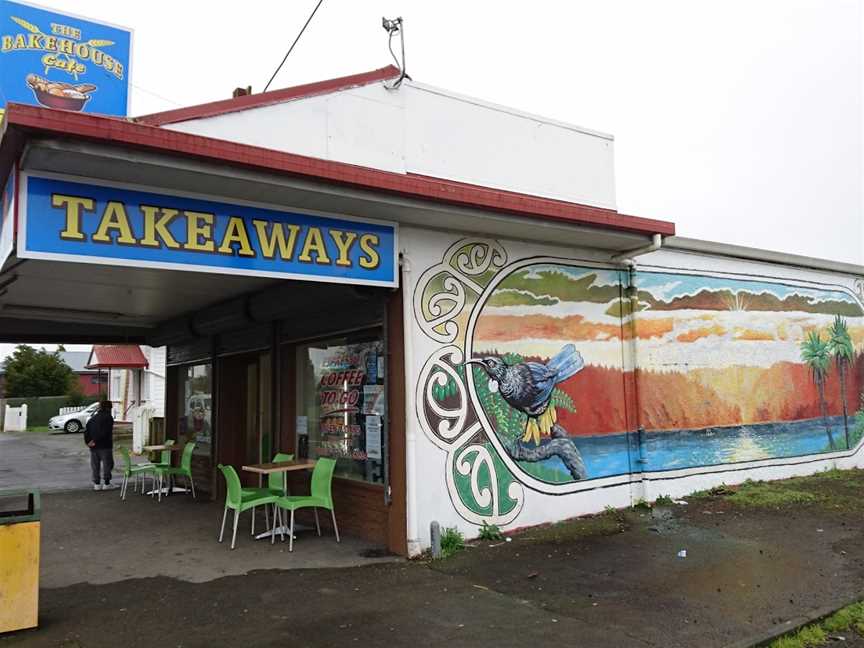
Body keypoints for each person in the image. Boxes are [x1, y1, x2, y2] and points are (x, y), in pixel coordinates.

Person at [84, 401, 117, 491]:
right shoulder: (108, 418)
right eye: (110, 408)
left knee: (95, 466)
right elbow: (106, 432)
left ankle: (97, 484)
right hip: (105, 445)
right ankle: (106, 483)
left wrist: (88, 442)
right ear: (108, 408)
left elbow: (87, 431)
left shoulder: (93, 418)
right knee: (108, 464)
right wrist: (96, 440)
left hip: (93, 446)